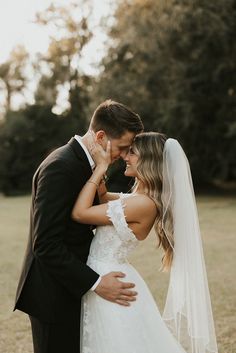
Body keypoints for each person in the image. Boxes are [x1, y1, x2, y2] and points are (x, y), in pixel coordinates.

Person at [14, 100, 144, 353]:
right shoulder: (61, 167)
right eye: (123, 147)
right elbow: (46, 244)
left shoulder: (87, 164)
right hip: (52, 296)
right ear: (100, 136)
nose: (124, 156)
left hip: (70, 289)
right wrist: (96, 283)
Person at [72, 132, 218, 353]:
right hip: (108, 273)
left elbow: (81, 213)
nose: (125, 157)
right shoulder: (137, 199)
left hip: (112, 279)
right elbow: (103, 199)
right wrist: (101, 169)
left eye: (132, 153)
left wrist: (101, 169)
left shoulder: (143, 204)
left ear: (148, 161)